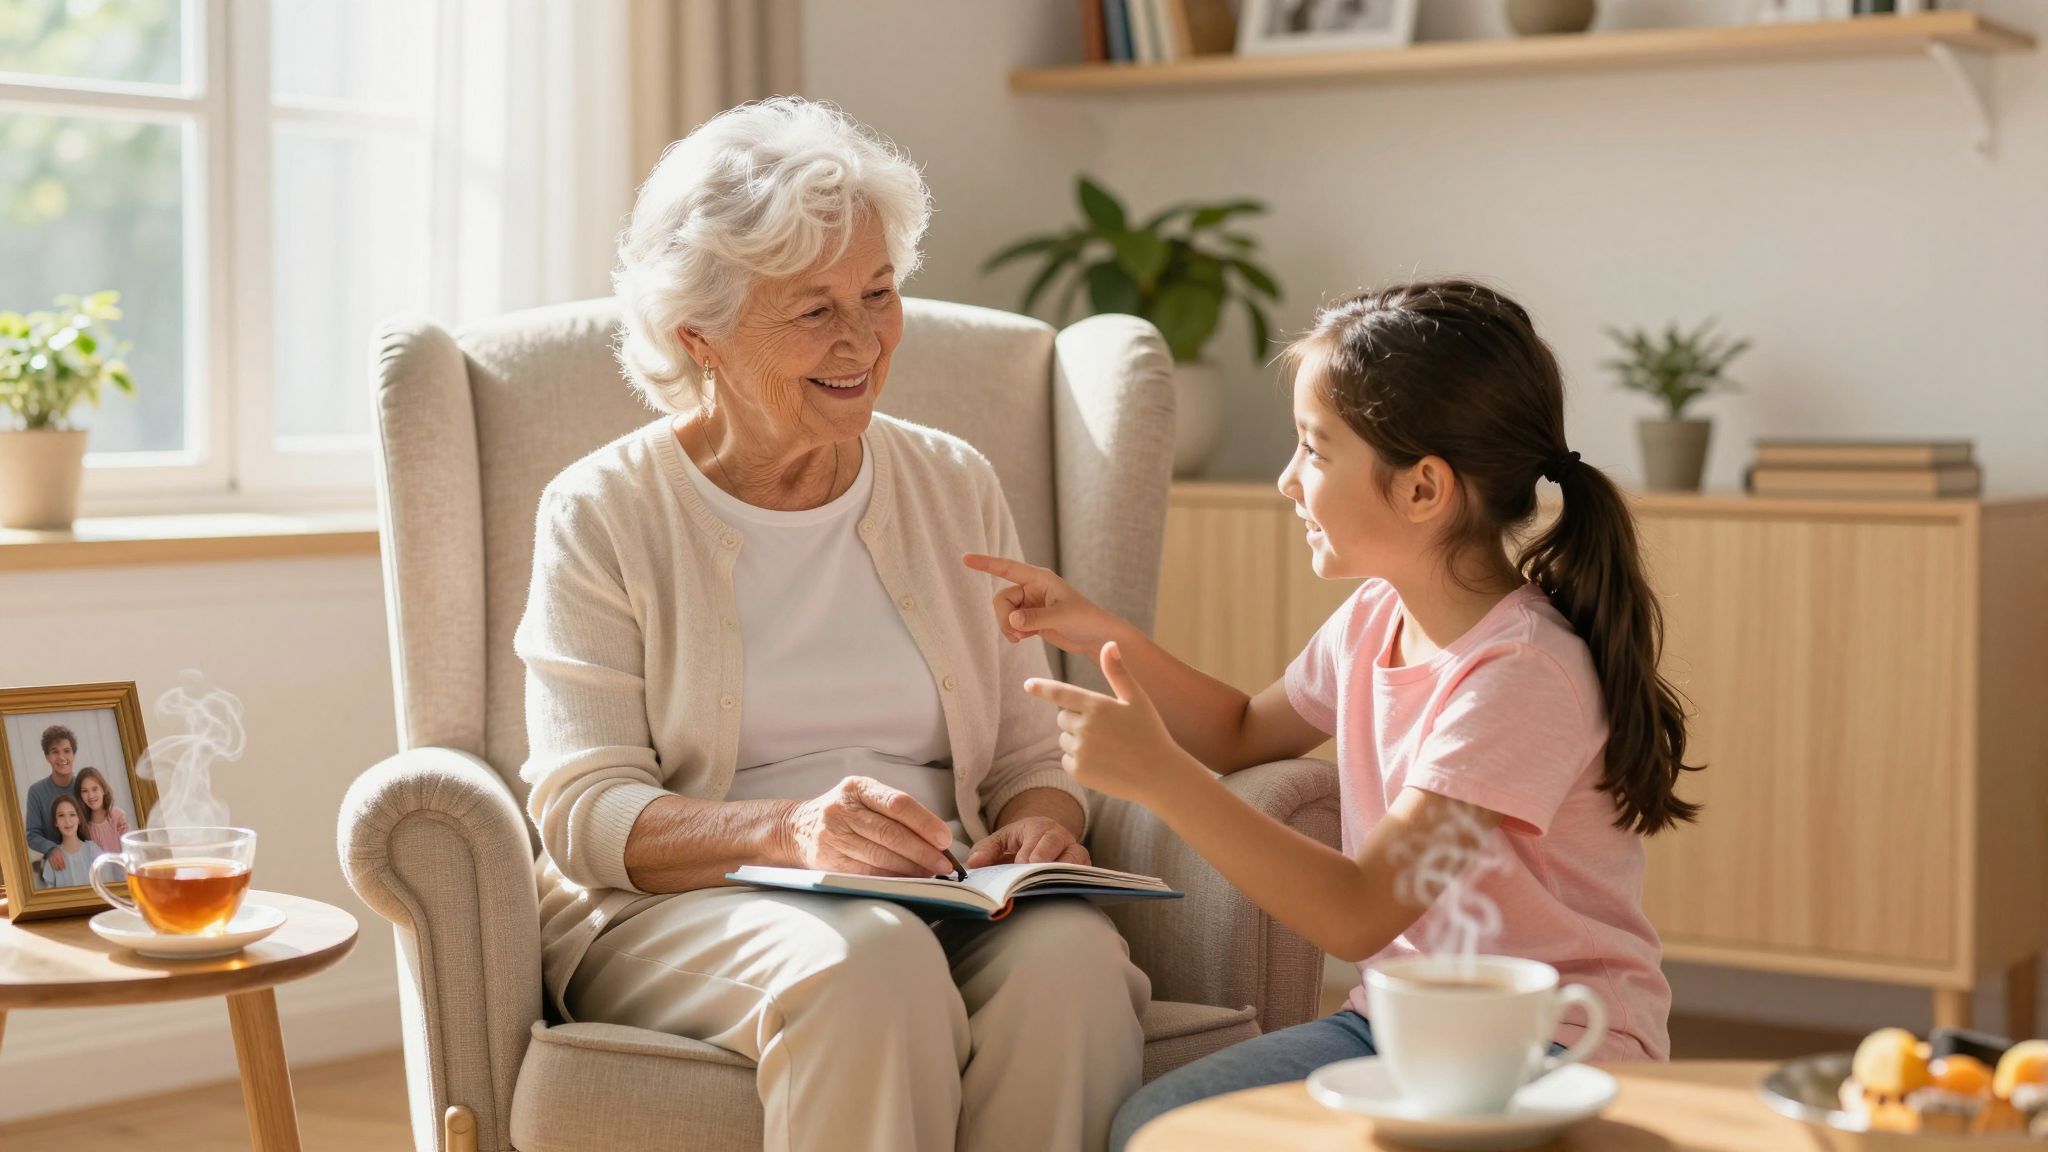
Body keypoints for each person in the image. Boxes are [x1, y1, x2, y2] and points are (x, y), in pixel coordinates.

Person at [518, 97, 1146, 1152]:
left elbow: (1032, 751)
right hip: (682, 908)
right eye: (812, 311)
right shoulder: (603, 509)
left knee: (1074, 965)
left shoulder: (951, 481)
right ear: (698, 337)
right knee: (867, 967)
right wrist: (785, 831)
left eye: (878, 292)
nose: (862, 339)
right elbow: (582, 816)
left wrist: (1047, 820)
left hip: (943, 892)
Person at [965, 280, 1699, 1148]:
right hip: (1402, 1030)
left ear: (1424, 489)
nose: (1286, 480)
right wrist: (1099, 630)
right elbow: (1241, 729)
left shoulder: (1521, 679)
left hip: (1551, 1049)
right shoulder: (1376, 618)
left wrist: (1160, 778)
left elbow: (1360, 911)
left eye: (1315, 450)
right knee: (1163, 1127)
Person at [23, 723, 82, 872]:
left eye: (67, 751)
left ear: (73, 754)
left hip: (86, 861)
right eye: (55, 752)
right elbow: (32, 835)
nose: (61, 757)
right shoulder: (36, 791)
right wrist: (51, 849)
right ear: (47, 757)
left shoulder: (84, 787)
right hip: (56, 867)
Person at [36, 793, 104, 889]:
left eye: (72, 815)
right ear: (55, 822)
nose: (67, 821)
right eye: (61, 816)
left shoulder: (93, 850)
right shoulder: (53, 859)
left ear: (79, 819)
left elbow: (107, 884)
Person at [75, 766, 131, 854]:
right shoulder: (84, 827)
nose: (91, 795)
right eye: (85, 791)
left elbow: (129, 849)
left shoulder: (117, 816)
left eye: (94, 789)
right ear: (80, 795)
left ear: (103, 789)